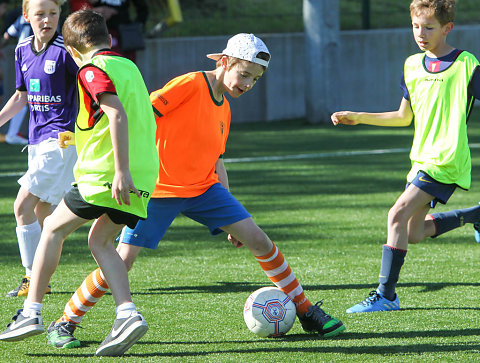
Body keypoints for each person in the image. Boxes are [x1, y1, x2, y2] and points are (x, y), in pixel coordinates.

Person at [44, 32, 346, 349]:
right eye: (244, 74)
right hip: (158, 190)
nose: (247, 84)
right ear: (224, 62)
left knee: (258, 239)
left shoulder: (224, 109)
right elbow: (140, 115)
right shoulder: (189, 84)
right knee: (123, 259)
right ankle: (65, 322)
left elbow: (217, 160)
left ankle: (305, 310)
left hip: (204, 190)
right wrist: (122, 166)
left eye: (254, 80)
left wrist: (227, 211)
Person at [0, 8, 159, 357]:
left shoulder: (90, 69)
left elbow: (115, 112)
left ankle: (31, 312)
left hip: (107, 175)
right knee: (100, 242)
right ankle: (127, 313)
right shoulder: (128, 66)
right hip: (145, 175)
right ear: (110, 39)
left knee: (52, 228)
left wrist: (120, 171)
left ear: (72, 51)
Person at [331, 0, 480, 313]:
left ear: (447, 28)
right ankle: (476, 215)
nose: (421, 33)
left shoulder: (467, 64)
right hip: (421, 160)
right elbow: (402, 117)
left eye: (429, 27)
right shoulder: (412, 65)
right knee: (413, 233)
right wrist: (358, 116)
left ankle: (386, 295)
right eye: (416, 26)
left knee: (395, 214)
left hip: (447, 159)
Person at [0, 0, 78, 298]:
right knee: (45, 215)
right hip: (36, 141)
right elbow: (21, 96)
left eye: (54, 14)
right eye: (40, 14)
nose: (47, 19)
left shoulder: (66, 52)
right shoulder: (21, 50)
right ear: (25, 16)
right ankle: (42, 275)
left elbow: (91, 89)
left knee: (22, 207)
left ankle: (33, 278)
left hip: (62, 141)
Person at [0, 10, 34, 145]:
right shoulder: (27, 17)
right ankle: (12, 133)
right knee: (23, 96)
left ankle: (13, 133)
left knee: (24, 97)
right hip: (30, 59)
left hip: (24, 59)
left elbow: (8, 34)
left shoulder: (21, 18)